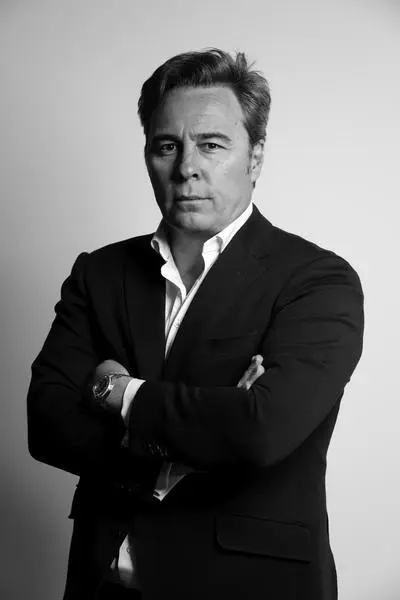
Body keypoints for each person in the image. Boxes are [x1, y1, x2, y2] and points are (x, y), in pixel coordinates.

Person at [27, 48, 364, 600]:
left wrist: (118, 393)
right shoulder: (100, 273)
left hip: (246, 586)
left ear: (255, 157)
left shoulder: (317, 280)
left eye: (211, 144)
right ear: (148, 156)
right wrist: (208, 422)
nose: (187, 166)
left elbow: (260, 431)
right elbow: (45, 423)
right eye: (168, 146)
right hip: (104, 583)